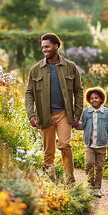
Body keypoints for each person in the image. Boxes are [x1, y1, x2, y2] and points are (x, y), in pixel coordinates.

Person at [25, 33, 84, 184]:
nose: (44, 50)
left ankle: (70, 181)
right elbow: (29, 93)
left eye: (47, 46)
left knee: (65, 145)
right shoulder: (35, 69)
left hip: (64, 114)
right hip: (44, 116)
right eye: (43, 47)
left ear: (56, 46)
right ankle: (50, 182)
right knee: (48, 152)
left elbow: (78, 91)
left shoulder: (70, 67)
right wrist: (31, 114)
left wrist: (77, 113)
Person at [76, 86, 108, 197]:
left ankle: (97, 188)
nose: (93, 100)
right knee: (89, 164)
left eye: (96, 98)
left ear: (101, 99)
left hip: (101, 144)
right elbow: (82, 126)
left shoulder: (106, 112)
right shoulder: (86, 112)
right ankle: (90, 186)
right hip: (89, 144)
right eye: (91, 98)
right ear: (89, 100)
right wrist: (75, 125)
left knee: (99, 167)